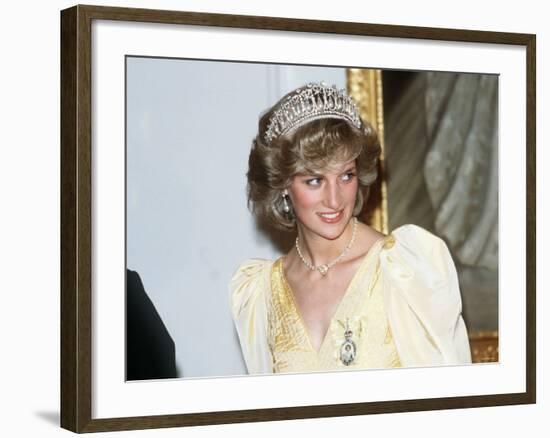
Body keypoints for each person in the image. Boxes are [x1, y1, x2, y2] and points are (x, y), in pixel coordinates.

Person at [230, 82, 471, 374]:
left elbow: (448, 401)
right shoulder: (261, 293)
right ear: (282, 185)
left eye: (346, 176)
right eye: (315, 180)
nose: (335, 199)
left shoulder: (405, 269)